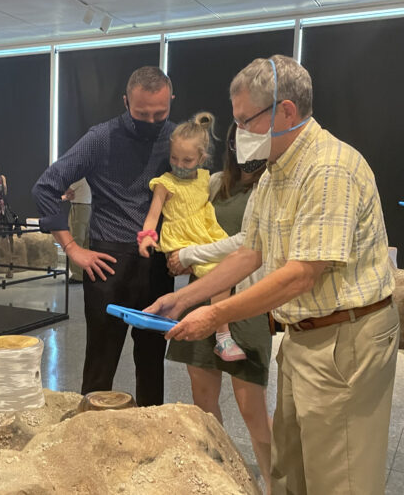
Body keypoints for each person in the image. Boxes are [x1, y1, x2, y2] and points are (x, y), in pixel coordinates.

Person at [146, 55, 399, 495]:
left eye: (246, 120)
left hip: (346, 341)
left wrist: (214, 315)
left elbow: (302, 274)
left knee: (340, 477)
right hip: (301, 338)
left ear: (285, 111)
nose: (239, 133)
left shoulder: (327, 168)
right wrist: (185, 300)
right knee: (290, 470)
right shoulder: (275, 174)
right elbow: (250, 253)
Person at [32, 66, 176, 406]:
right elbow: (46, 186)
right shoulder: (102, 138)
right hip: (107, 262)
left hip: (156, 261)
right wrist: (71, 247)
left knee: (153, 357)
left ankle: (152, 436)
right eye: (142, 114)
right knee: (100, 359)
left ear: (171, 101)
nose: (152, 122)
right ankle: (87, 436)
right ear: (126, 102)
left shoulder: (177, 138)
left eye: (160, 113)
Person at [164, 121, 272, 491]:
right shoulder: (213, 184)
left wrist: (191, 253)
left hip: (244, 303)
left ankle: (274, 484)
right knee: (204, 405)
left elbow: (247, 243)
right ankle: (226, 477)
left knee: (252, 410)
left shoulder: (270, 187)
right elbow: (189, 220)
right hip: (201, 298)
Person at [138, 112, 245, 362]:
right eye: (174, 158)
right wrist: (146, 237)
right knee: (218, 272)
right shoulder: (165, 182)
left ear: (201, 158)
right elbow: (154, 214)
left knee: (231, 264)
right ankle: (223, 336)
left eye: (187, 160)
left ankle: (218, 325)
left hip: (205, 231)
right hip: (182, 237)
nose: (179, 164)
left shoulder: (206, 180)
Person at [62, 178, 92, 284]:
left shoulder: (80, 177)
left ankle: (78, 275)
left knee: (75, 241)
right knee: (85, 242)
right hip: (87, 207)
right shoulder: (88, 176)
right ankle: (86, 273)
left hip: (79, 208)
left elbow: (69, 191)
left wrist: (63, 197)